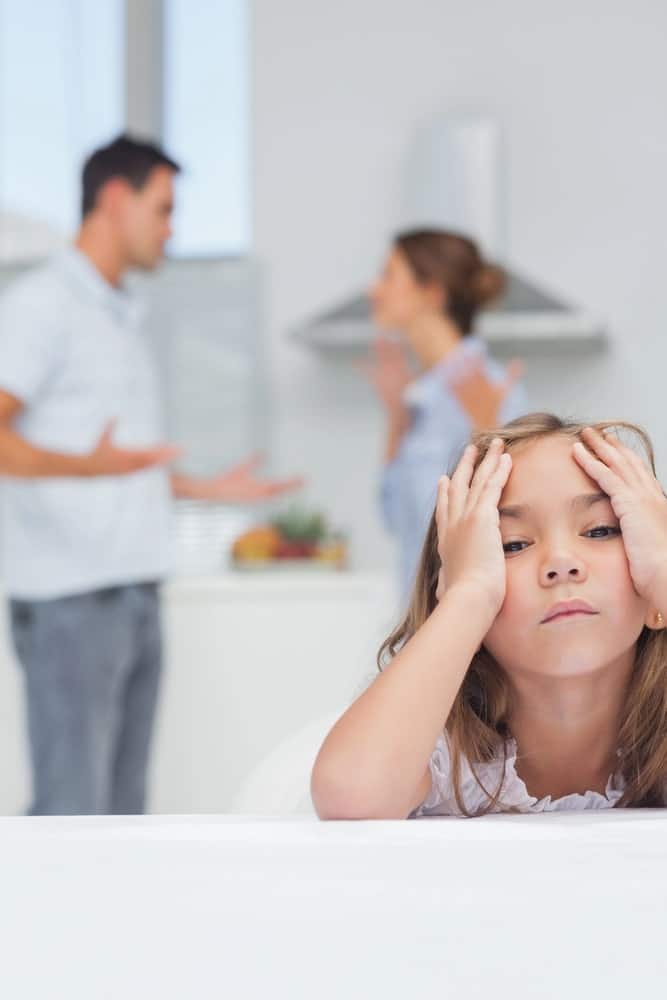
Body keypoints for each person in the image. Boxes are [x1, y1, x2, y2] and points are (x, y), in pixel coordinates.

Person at [0, 134, 302, 816]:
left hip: (134, 592)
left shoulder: (117, 315)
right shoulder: (42, 305)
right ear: (114, 198)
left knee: (121, 814)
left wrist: (207, 489)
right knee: (72, 813)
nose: (172, 229)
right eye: (163, 209)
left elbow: (119, 464)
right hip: (70, 601)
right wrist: (88, 468)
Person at [311, 412, 667, 818]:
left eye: (600, 531)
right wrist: (470, 596)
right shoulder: (436, 750)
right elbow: (351, 797)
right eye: (512, 545)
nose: (562, 563)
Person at [362, 229, 526, 598]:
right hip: (418, 620)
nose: (373, 289)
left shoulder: (491, 391)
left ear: (432, 293)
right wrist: (395, 421)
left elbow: (514, 527)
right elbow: (396, 521)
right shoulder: (419, 397)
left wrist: (489, 429)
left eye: (388, 275)